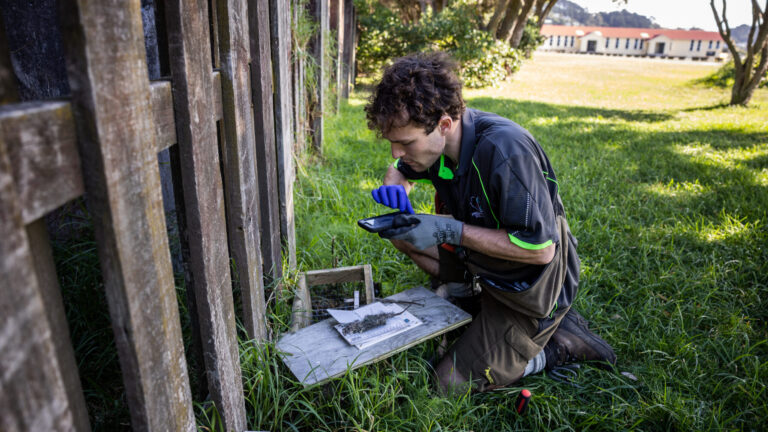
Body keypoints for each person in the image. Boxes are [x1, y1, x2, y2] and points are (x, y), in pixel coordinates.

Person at [364, 52, 616, 393]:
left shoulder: (505, 151)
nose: (396, 152)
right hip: (486, 262)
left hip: (531, 286)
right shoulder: (438, 146)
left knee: (448, 385)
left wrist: (448, 229)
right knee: (402, 233)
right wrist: (394, 186)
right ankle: (467, 298)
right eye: (392, 142)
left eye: (405, 142)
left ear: (444, 124)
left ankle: (561, 344)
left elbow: (539, 249)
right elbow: (399, 170)